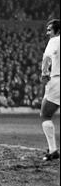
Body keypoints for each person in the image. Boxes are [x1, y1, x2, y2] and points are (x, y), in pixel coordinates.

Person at [40, 19, 60, 161]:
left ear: (57, 30)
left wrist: (44, 74)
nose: (47, 33)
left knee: (45, 114)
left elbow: (46, 58)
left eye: (49, 30)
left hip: (57, 80)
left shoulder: (54, 41)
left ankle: (53, 150)